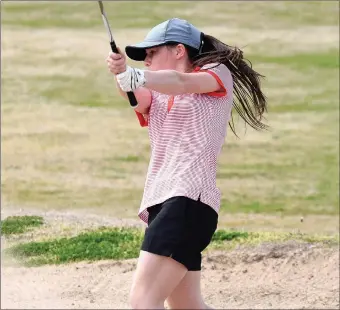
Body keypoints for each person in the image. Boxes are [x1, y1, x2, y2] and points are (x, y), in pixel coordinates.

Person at [106, 18, 267, 309]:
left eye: (152, 53)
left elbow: (181, 83)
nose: (148, 60)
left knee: (143, 302)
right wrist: (122, 74)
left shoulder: (214, 74)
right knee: (187, 306)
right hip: (164, 201)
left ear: (179, 50)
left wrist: (136, 75)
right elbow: (137, 98)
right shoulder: (157, 91)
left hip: (188, 200)